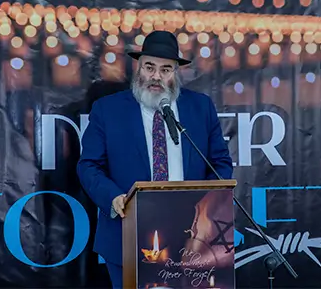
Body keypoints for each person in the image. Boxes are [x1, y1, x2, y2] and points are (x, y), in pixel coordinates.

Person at [76, 31, 234, 288]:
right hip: (127, 233)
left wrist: (209, 203)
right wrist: (113, 197)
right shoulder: (108, 109)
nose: (156, 76)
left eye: (165, 69)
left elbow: (220, 163)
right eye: (149, 67)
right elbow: (89, 165)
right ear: (138, 68)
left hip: (192, 238)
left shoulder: (200, 107)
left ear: (176, 73)